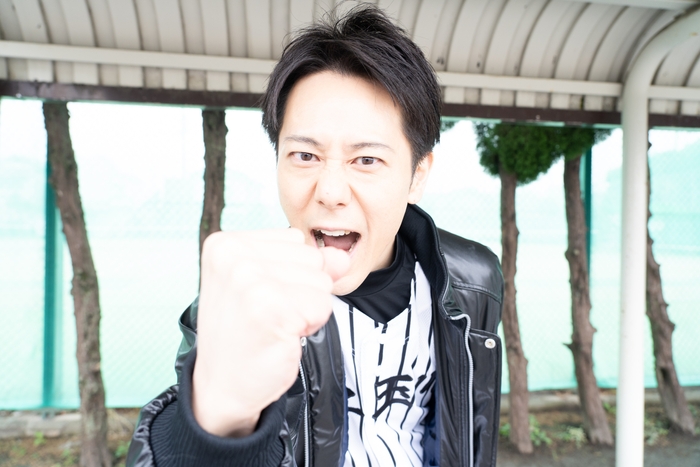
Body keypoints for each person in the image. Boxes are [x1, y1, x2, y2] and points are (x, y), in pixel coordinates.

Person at [128, 5, 503, 467]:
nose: (329, 192)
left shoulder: (473, 281)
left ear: (417, 174)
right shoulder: (243, 301)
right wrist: (216, 422)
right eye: (305, 156)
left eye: (366, 160)